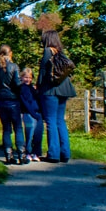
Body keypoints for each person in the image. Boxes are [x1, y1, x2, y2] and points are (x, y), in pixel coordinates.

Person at [37, 29, 76, 162]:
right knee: (60, 121)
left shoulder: (48, 51)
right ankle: (65, 153)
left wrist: (38, 88)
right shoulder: (61, 53)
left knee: (50, 121)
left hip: (50, 90)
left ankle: (53, 153)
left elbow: (42, 72)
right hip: (64, 89)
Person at [0, 44, 25, 164]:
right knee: (18, 128)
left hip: (1, 100)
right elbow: (17, 83)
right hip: (13, 100)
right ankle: (21, 155)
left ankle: (8, 156)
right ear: (10, 54)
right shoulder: (14, 66)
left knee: (6, 129)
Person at [19, 67, 43, 162]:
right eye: (25, 77)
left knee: (38, 133)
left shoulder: (32, 88)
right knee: (29, 133)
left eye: (29, 77)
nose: (28, 79)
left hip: (37, 113)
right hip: (28, 114)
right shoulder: (21, 88)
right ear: (21, 77)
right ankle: (28, 152)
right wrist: (33, 113)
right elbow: (25, 103)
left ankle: (35, 152)